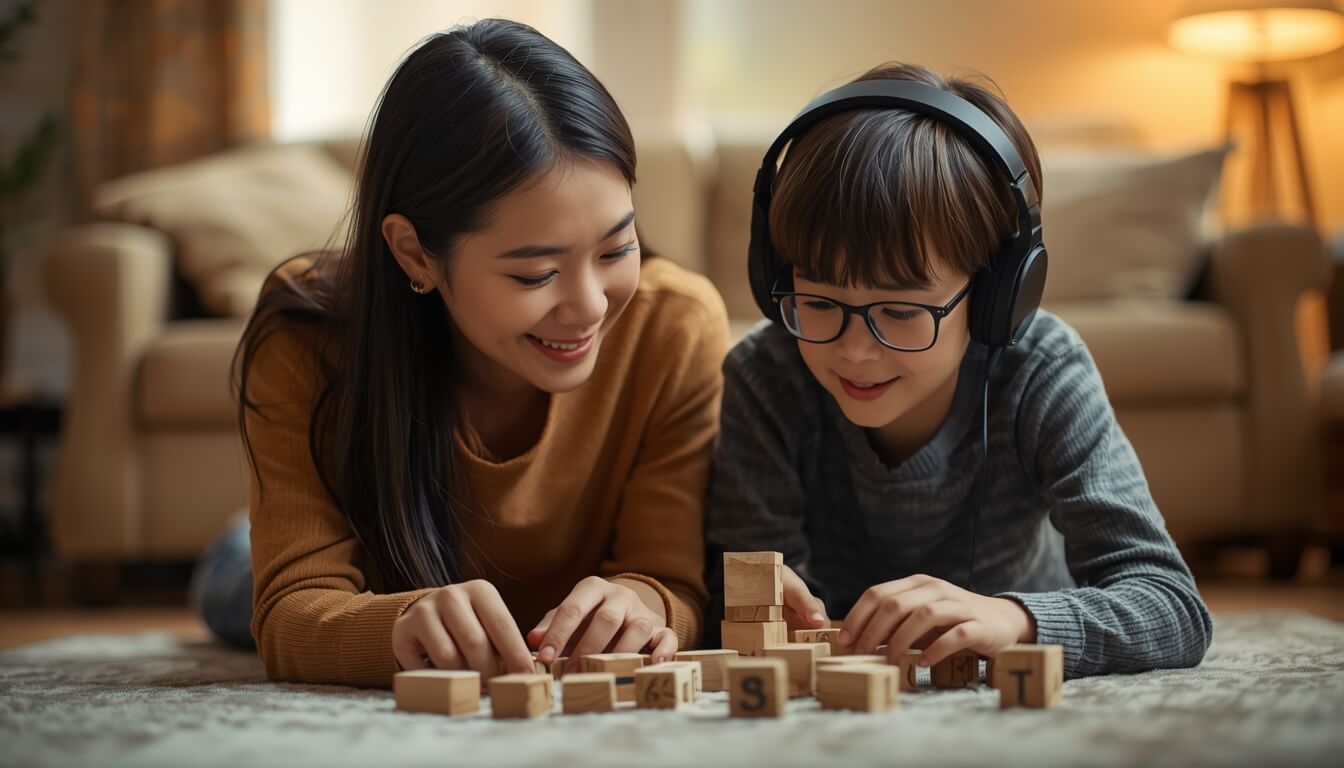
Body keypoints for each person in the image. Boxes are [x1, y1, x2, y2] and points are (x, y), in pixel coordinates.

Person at [198, 18, 728, 687]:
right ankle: (243, 538)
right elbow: (293, 612)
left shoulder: (674, 324)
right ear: (415, 253)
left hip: (531, 612)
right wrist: (399, 622)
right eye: (536, 274)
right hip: (364, 573)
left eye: (615, 248)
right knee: (230, 587)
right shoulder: (308, 330)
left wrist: (645, 605)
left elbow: (673, 582)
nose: (591, 305)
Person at [704, 63, 1211, 679]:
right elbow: (732, 598)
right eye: (818, 303)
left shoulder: (1041, 368)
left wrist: (1016, 621)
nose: (855, 350)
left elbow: (1173, 606)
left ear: (1000, 294)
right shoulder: (766, 377)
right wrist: (751, 600)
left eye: (900, 310)